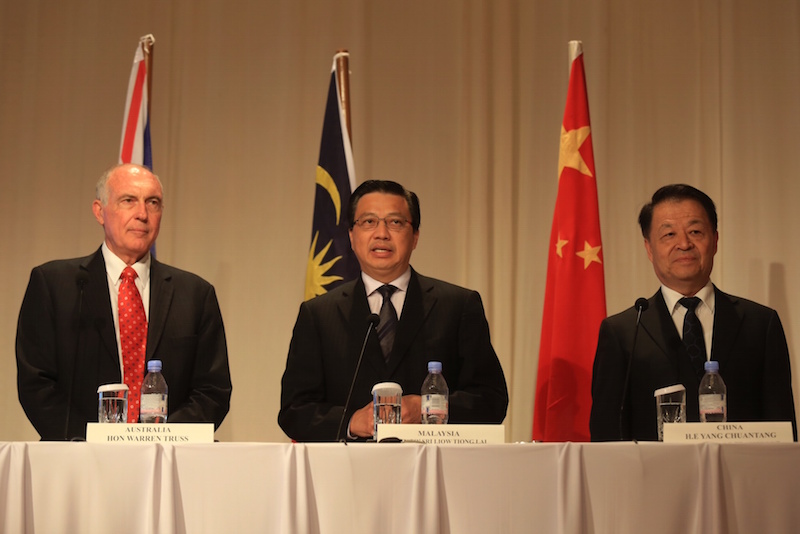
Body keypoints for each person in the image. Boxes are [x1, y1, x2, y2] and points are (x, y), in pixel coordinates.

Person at [279, 180, 508, 441]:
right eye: (368, 222)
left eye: (395, 222)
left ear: (416, 236)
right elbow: (294, 411)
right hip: (346, 471)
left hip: (435, 469)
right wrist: (351, 421)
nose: (382, 234)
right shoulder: (319, 314)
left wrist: (425, 409)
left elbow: (491, 400)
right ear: (352, 237)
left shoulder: (458, 305)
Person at [16, 163, 232, 440]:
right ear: (99, 211)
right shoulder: (54, 284)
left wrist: (158, 442)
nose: (142, 214)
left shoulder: (195, 294)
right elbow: (36, 383)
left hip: (170, 460)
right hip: (79, 459)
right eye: (128, 201)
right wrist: (95, 442)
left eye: (152, 203)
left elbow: (213, 390)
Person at [590, 184, 796, 441]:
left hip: (742, 478)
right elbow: (606, 433)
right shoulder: (623, 332)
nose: (684, 244)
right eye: (669, 235)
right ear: (649, 248)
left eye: (695, 232)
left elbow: (782, 428)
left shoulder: (760, 324)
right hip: (655, 478)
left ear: (715, 240)